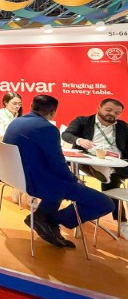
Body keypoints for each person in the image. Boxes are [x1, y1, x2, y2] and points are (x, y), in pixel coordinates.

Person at [3, 95, 114, 248]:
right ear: (53, 112)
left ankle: (42, 218)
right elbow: (57, 162)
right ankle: (51, 220)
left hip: (18, 177)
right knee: (106, 204)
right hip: (37, 181)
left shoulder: (16, 122)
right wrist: (74, 179)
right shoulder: (47, 128)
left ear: (31, 106)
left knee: (58, 184)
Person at [62, 98, 128, 239]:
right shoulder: (83, 121)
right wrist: (79, 140)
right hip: (89, 160)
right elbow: (66, 134)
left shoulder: (123, 126)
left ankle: (106, 173)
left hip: (116, 161)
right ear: (99, 108)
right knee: (112, 180)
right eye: (108, 110)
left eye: (117, 113)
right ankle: (122, 223)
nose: (112, 114)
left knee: (112, 174)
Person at [0, 92, 22, 203]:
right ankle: (23, 191)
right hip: (2, 152)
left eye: (19, 104)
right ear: (5, 103)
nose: (17, 106)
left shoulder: (17, 116)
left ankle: (24, 192)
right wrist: (18, 133)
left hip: (16, 150)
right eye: (14, 103)